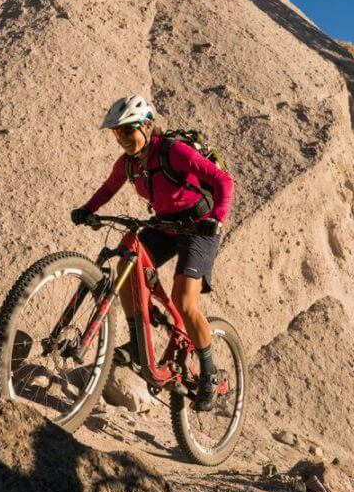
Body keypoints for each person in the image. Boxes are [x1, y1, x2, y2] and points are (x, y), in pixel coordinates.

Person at [71, 94, 234, 411]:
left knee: (185, 301)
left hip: (199, 226)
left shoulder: (173, 151)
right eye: (117, 134)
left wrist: (217, 219)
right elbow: (108, 188)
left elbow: (223, 181)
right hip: (165, 225)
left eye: (127, 131)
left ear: (146, 126)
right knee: (126, 268)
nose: (122, 140)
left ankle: (210, 373)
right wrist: (87, 210)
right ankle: (136, 342)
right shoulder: (129, 164)